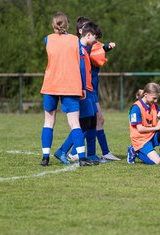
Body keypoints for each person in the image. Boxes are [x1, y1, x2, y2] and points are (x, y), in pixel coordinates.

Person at [40, 12, 93, 167]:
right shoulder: (75, 40)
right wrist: (83, 87)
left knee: (48, 121)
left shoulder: (47, 39)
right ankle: (82, 158)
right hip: (70, 85)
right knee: (74, 122)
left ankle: (45, 157)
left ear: (53, 25)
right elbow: (81, 66)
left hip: (51, 84)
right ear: (67, 24)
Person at [68, 17, 120, 162]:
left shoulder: (91, 46)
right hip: (86, 89)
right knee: (88, 122)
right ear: (81, 31)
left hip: (92, 88)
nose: (93, 35)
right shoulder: (80, 49)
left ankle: (99, 152)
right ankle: (72, 151)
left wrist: (106, 48)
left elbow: (97, 52)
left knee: (95, 120)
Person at [53, 21, 101, 164]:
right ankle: (63, 151)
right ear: (88, 35)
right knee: (84, 123)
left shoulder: (85, 49)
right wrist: (82, 89)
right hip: (81, 91)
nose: (96, 41)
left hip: (88, 90)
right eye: (95, 38)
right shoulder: (78, 49)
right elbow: (79, 71)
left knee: (89, 122)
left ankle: (85, 153)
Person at [127, 83, 160, 165]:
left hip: (151, 135)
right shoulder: (136, 108)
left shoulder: (153, 105)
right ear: (146, 94)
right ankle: (135, 151)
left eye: (157, 98)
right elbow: (140, 128)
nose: (156, 101)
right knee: (157, 162)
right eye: (154, 98)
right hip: (141, 140)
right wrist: (157, 128)